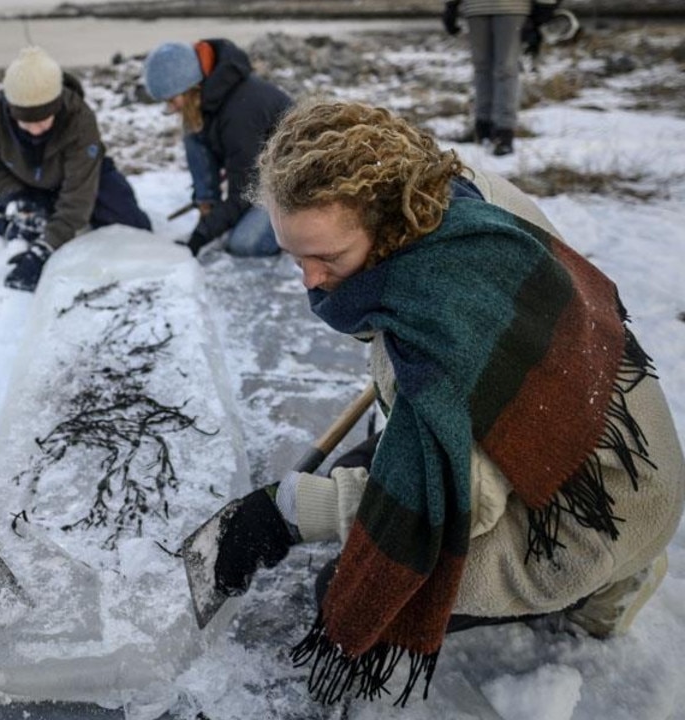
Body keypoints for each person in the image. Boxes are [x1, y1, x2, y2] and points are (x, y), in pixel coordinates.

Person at [210, 100, 684, 705]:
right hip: (579, 427)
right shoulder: (454, 195)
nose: (308, 280)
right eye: (294, 255)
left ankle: (607, 584)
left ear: (385, 226)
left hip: (596, 509)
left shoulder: (445, 317)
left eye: (326, 258)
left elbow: (463, 506)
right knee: (367, 469)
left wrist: (288, 514)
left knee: (356, 588)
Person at [0, 46, 152, 293]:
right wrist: (16, 197)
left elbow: (78, 196)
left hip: (84, 176)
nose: (36, 130)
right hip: (29, 182)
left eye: (43, 120)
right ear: (11, 111)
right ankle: (0, 217)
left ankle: (39, 219)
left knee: (134, 227)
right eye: (26, 122)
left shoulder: (79, 119)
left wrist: (44, 251)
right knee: (33, 222)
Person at [142, 38, 292, 258]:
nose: (171, 108)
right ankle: (209, 210)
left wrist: (201, 236)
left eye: (172, 100)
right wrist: (209, 210)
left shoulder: (240, 113)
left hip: (290, 184)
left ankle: (292, 228)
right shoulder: (212, 97)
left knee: (246, 244)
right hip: (258, 173)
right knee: (192, 133)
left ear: (191, 88)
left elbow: (244, 192)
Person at [442, 0, 559, 155]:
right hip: (475, 8)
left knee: (506, 69)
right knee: (481, 68)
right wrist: (451, 5)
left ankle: (504, 131)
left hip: (512, 8)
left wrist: (544, 8)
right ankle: (482, 128)